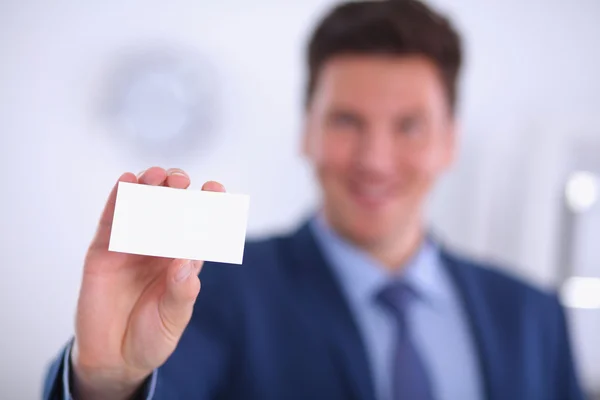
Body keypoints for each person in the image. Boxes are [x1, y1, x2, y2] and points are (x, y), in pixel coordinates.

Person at [43, 1, 585, 399]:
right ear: (307, 132)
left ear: (450, 143)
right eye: (347, 121)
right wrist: (108, 381)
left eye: (410, 126)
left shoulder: (533, 315)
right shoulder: (203, 288)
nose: (375, 159)